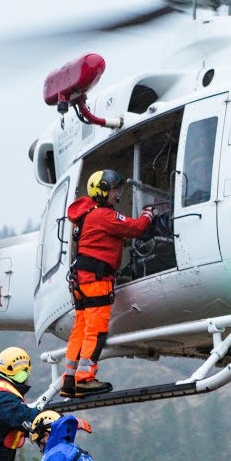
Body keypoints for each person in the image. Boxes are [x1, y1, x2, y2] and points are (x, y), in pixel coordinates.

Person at [63, 169, 156, 397]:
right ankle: (85, 379)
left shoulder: (86, 215)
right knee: (96, 331)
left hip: (81, 281)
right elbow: (136, 228)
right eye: (114, 190)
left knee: (80, 330)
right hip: (96, 280)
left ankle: (69, 380)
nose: (117, 194)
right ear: (102, 191)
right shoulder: (103, 215)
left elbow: (98, 242)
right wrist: (148, 214)